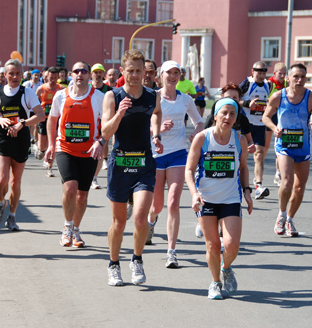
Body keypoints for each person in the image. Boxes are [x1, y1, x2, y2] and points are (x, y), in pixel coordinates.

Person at [102, 50, 163, 286]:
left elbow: (157, 113)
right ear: (123, 71)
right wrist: (119, 114)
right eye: (131, 71)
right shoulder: (113, 96)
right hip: (120, 163)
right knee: (119, 222)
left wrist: (156, 134)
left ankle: (137, 259)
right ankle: (113, 265)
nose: (136, 75)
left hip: (144, 163)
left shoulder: (152, 96)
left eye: (140, 71)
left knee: (140, 218)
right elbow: (105, 133)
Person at [186, 97, 253, 300]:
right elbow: (189, 170)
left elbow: (242, 168)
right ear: (215, 115)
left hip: (231, 198)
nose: (228, 117)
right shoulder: (202, 138)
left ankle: (226, 268)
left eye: (232, 114)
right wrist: (194, 194)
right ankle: (215, 283)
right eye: (224, 113)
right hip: (205, 199)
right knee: (212, 245)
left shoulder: (239, 140)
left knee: (232, 245)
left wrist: (247, 192)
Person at [145, 60, 204, 268]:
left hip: (178, 154)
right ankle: (150, 223)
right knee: (157, 205)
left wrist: (195, 135)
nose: (172, 76)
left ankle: (171, 251)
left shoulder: (186, 99)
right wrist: (160, 129)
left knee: (173, 203)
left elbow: (200, 122)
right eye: (168, 72)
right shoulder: (153, 97)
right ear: (160, 75)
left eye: (176, 73)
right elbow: (145, 124)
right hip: (156, 154)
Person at [45, 61, 105, 248]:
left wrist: (101, 141)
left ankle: (76, 230)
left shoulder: (99, 97)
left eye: (84, 71)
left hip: (89, 151)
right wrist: (50, 145)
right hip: (65, 149)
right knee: (70, 189)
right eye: (76, 71)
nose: (80, 74)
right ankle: (67, 227)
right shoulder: (61, 96)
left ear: (89, 75)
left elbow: (108, 123)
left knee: (82, 196)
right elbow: (52, 119)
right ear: (71, 74)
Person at [262, 63, 312, 237]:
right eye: (296, 76)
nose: (299, 80)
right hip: (284, 144)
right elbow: (266, 116)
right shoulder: (278, 96)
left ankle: (290, 219)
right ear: (288, 78)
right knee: (287, 181)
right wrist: (274, 128)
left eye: (303, 77)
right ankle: (281, 214)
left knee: (299, 187)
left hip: (303, 146)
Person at [0, 59, 45, 231]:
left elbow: (40, 115)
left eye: (17, 73)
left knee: (15, 183)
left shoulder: (27, 93)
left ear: (22, 75)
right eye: (11, 73)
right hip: (3, 139)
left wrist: (22, 123)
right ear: (4, 75)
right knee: (2, 178)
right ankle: (0, 203)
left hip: (21, 140)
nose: (14, 76)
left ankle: (12, 216)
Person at [239, 62, 271, 200]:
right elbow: (233, 98)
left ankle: (258, 186)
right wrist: (247, 104)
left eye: (264, 73)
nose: (261, 75)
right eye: (259, 73)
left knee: (259, 155)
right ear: (253, 71)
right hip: (245, 124)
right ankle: (237, 183)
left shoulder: (268, 85)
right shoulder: (247, 83)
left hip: (259, 125)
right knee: (241, 156)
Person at [35, 66, 62, 176]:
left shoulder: (61, 89)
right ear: (47, 77)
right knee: (42, 145)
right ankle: (40, 150)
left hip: (55, 119)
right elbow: (34, 103)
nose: (53, 80)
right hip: (44, 119)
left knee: (54, 142)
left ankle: (49, 167)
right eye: (51, 77)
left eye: (55, 78)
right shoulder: (41, 89)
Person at [90, 63, 111, 189]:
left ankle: (94, 178)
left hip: (102, 124)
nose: (98, 75)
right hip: (88, 124)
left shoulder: (108, 90)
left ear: (103, 74)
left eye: (100, 72)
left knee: (100, 149)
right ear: (91, 74)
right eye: (95, 72)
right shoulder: (86, 88)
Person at [268, 63, 288, 186]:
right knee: (264, 148)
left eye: (284, 74)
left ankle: (278, 173)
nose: (282, 76)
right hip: (270, 115)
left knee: (279, 146)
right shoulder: (270, 84)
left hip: (282, 117)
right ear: (275, 73)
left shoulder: (287, 84)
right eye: (280, 73)